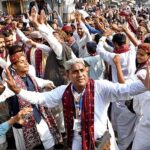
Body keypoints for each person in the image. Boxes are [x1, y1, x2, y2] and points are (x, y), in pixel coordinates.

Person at [5, 57, 148, 150]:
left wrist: (146, 84)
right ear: (68, 75)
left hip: (99, 141)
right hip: (77, 139)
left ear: (87, 71)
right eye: (75, 72)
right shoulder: (64, 91)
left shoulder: (100, 87)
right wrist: (18, 90)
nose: (79, 75)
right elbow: (40, 98)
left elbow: (126, 89)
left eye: (82, 71)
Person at [6, 48, 62, 150]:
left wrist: (47, 83)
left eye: (26, 61)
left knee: (48, 141)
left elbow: (40, 81)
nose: (26, 64)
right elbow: (3, 94)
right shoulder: (11, 83)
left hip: (39, 115)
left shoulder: (30, 77)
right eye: (22, 62)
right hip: (23, 122)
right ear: (14, 66)